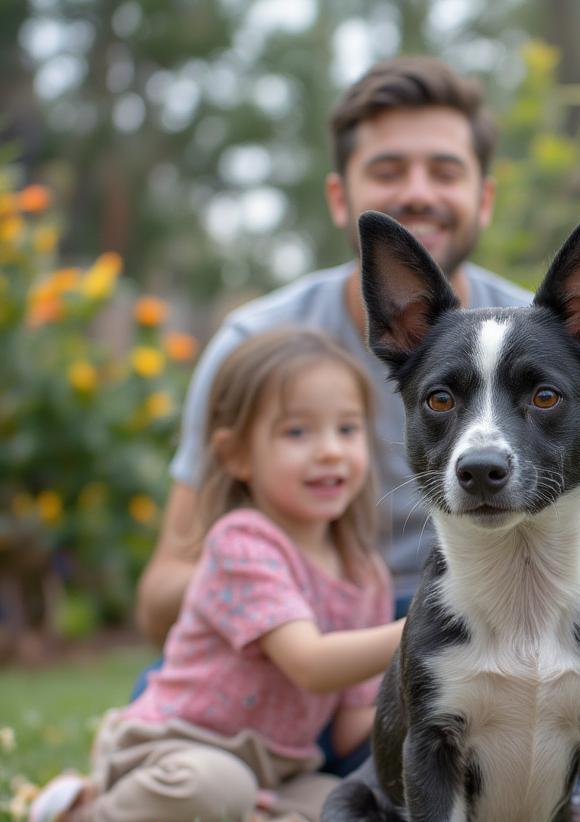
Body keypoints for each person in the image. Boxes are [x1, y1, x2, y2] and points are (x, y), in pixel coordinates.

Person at [132, 57, 530, 773]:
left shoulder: (542, 341)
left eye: (444, 170)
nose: (417, 191)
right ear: (339, 196)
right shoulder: (254, 345)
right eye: (388, 170)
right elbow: (164, 588)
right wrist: (281, 601)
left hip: (475, 629)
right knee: (187, 726)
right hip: (290, 639)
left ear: (486, 195)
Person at [29, 328, 403, 822]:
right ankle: (82, 817)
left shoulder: (366, 574)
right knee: (214, 788)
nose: (330, 451)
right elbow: (310, 663)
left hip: (277, 773)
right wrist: (422, 630)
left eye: (347, 429)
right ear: (236, 456)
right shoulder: (242, 543)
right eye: (297, 433)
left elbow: (347, 728)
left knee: (355, 810)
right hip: (174, 748)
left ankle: (248, 821)